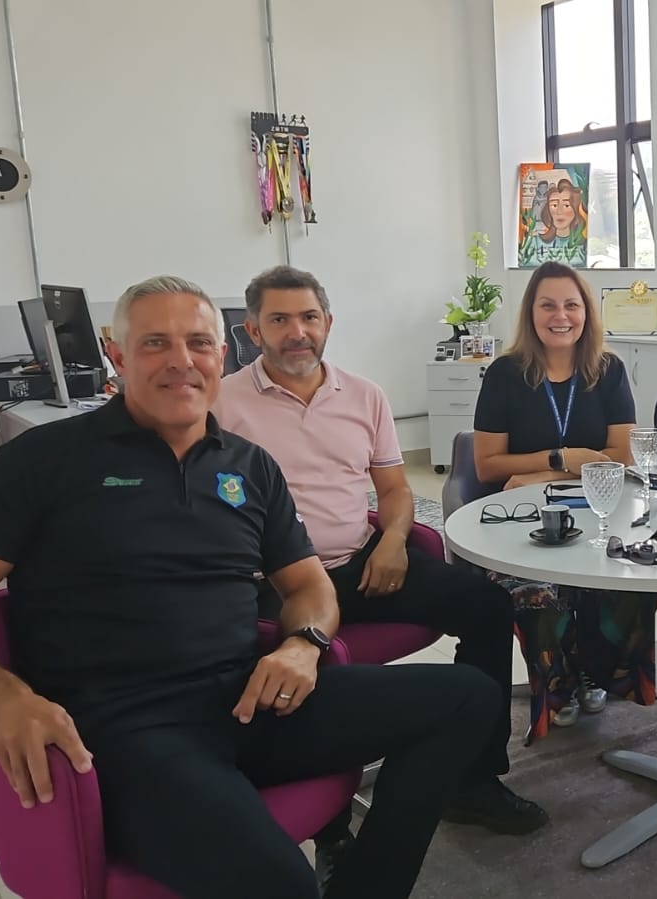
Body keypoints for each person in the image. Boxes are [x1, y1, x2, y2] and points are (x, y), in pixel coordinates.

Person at [0, 276, 499, 899]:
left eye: (199, 343)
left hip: (246, 698)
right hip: (130, 730)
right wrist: (1, 696)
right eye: (156, 343)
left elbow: (310, 586)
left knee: (465, 698)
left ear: (222, 354)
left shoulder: (249, 465)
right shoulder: (42, 461)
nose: (181, 361)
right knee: (281, 885)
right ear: (116, 354)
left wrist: (303, 644)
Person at [212, 266, 549, 856]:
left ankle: (473, 778)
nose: (297, 332)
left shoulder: (364, 395)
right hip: (276, 582)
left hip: (359, 563)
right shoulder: (220, 403)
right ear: (253, 331)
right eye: (280, 319)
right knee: (305, 660)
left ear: (328, 323)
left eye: (309, 317)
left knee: (487, 605)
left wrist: (393, 539)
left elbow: (393, 490)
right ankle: (331, 832)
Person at [472, 260, 657, 742]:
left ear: (586, 312)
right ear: (530, 313)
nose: (561, 316)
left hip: (599, 511)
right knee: (538, 594)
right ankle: (558, 685)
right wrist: (565, 457)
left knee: (636, 577)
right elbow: (487, 466)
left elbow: (621, 455)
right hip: (522, 520)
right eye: (548, 305)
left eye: (571, 305)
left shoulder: (607, 370)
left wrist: (543, 470)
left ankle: (596, 673)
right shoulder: (505, 374)